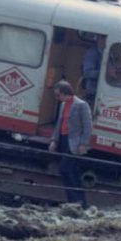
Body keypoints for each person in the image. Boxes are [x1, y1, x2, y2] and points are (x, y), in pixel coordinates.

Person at [48, 79, 93, 208]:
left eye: (58, 95)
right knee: (72, 172)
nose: (57, 98)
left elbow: (88, 126)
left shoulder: (81, 105)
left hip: (74, 142)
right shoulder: (63, 105)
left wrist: (83, 144)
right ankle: (78, 203)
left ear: (65, 93)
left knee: (65, 169)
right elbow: (59, 124)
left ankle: (76, 201)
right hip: (63, 140)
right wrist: (54, 140)